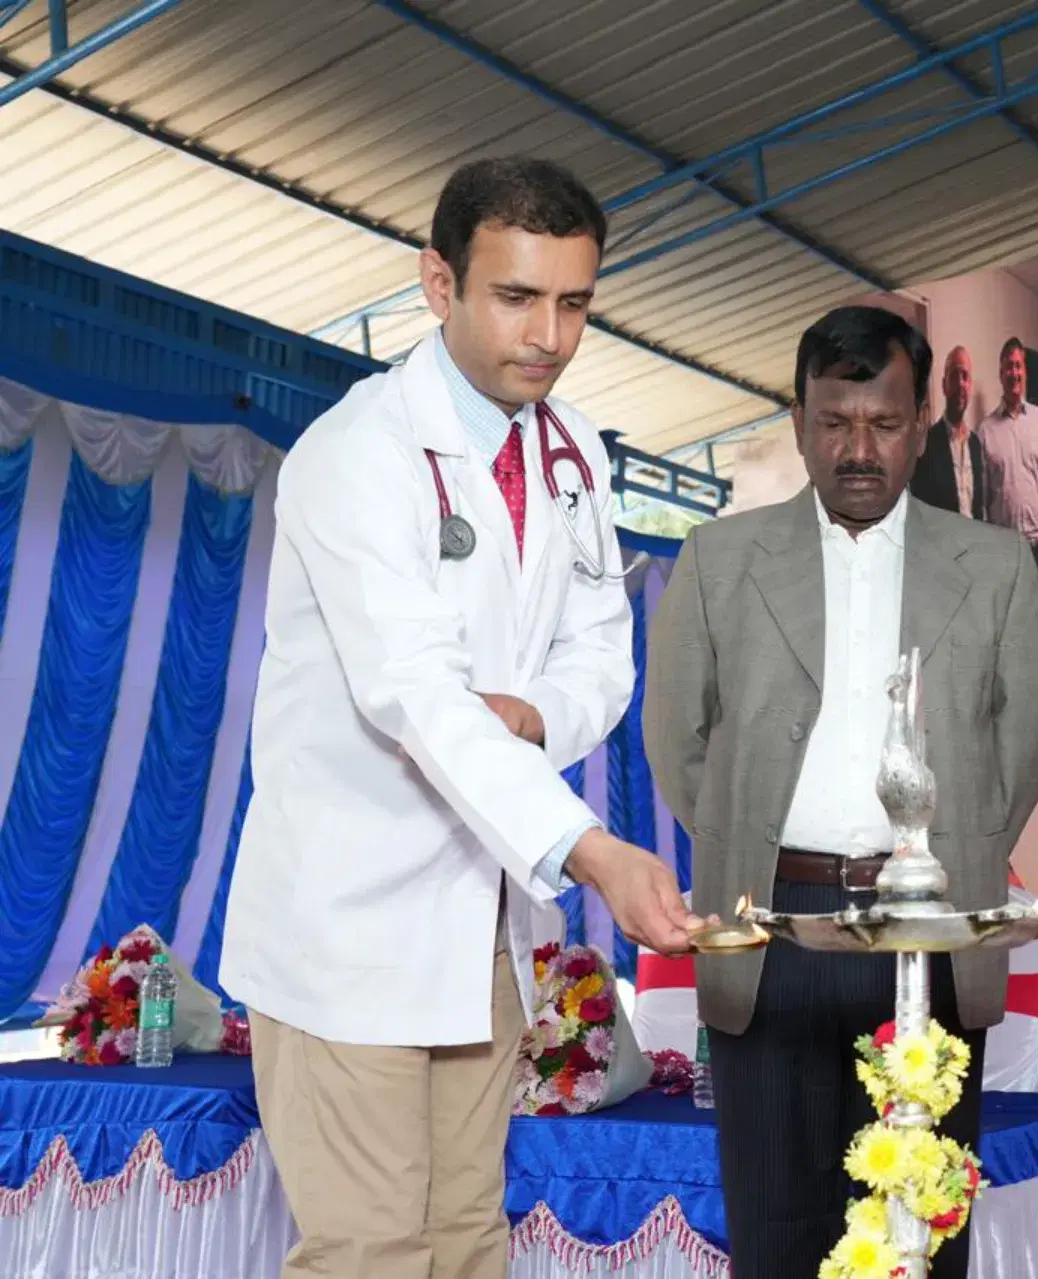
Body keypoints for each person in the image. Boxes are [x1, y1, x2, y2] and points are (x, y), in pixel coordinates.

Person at [220, 157, 697, 1279]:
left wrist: (531, 713)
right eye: (516, 297)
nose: (549, 333)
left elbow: (599, 655)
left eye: (574, 302)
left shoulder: (574, 452)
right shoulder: (358, 452)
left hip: (480, 925)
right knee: (371, 1253)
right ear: (439, 283)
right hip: (350, 921)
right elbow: (416, 695)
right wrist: (593, 850)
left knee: (469, 1240)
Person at [642, 306, 1038, 1279]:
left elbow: (1025, 731)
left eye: (883, 421)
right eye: (835, 421)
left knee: (917, 1240)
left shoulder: (995, 567)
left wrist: (953, 848)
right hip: (771, 936)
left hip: (923, 941)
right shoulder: (719, 559)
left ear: (923, 424)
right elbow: (677, 739)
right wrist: (748, 839)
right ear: (799, 423)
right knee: (777, 1239)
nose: (859, 447)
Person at [978, 334, 1038, 789]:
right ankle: (1011, 753)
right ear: (1000, 374)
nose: (1014, 373)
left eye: (1018, 366)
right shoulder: (986, 431)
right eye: (1007, 367)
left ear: (1023, 374)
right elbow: (980, 501)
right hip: (1002, 558)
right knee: (1006, 660)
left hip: (1036, 554)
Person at [910, 345, 987, 518]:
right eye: (954, 375)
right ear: (944, 385)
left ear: (970, 386)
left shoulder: (975, 444)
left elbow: (979, 508)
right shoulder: (927, 443)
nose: (960, 383)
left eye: (965, 376)